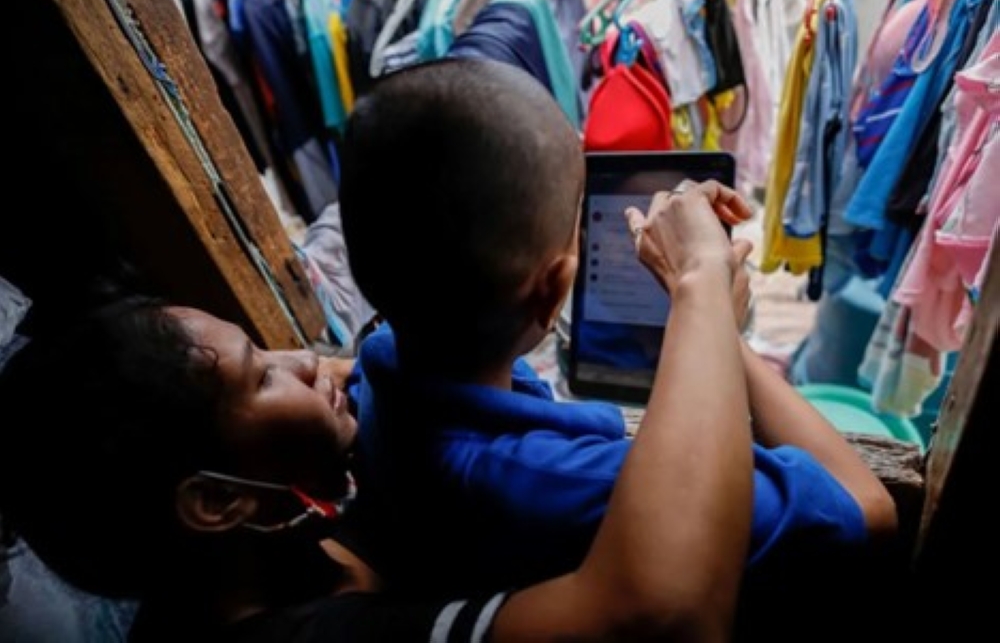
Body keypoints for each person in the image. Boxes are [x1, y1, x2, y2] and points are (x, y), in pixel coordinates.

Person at [0, 175, 758, 642]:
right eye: (261, 378)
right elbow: (660, 615)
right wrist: (699, 289)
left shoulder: (257, 542)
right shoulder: (311, 634)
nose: (302, 359)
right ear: (216, 498)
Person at [338, 57, 898, 601]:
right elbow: (865, 506)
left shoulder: (375, 374)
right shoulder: (568, 481)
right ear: (555, 288)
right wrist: (708, 312)